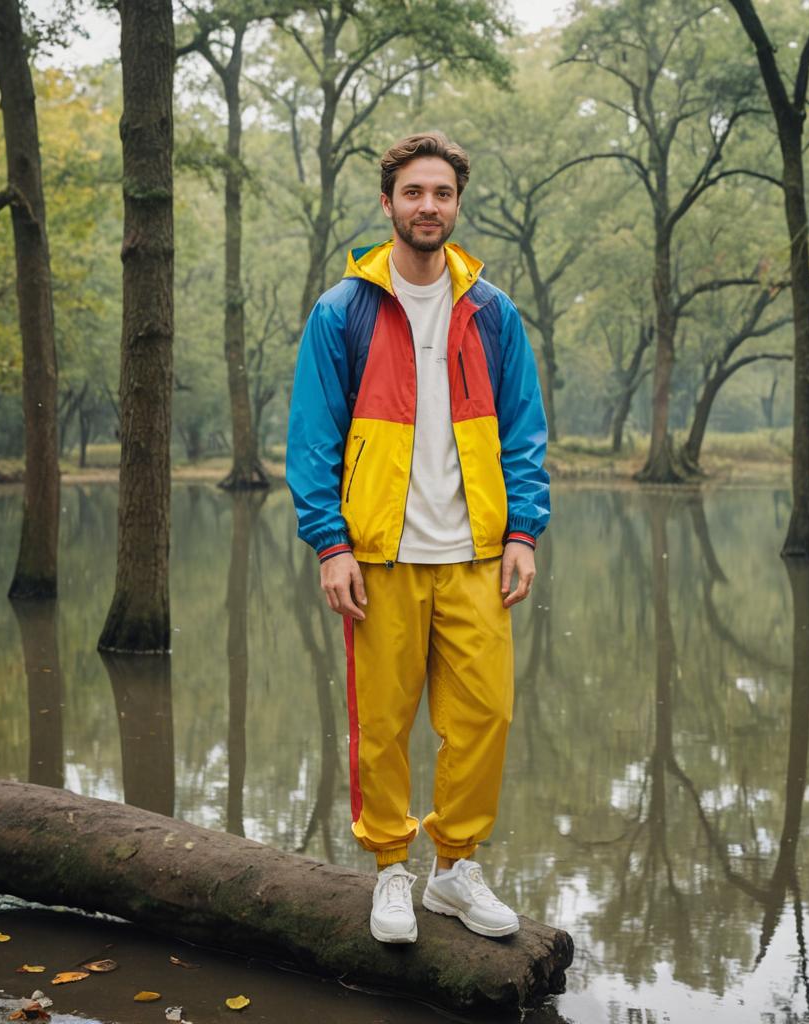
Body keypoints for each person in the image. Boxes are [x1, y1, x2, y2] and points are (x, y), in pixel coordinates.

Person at [286, 131, 550, 944]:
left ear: (457, 204)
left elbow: (524, 431)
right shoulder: (343, 310)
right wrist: (331, 544)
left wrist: (524, 532)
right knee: (383, 725)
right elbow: (313, 438)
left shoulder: (493, 312)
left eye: (441, 193)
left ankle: (455, 870)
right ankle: (390, 872)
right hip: (378, 558)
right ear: (388, 203)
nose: (428, 206)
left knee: (485, 717)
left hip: (474, 554)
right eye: (413, 193)